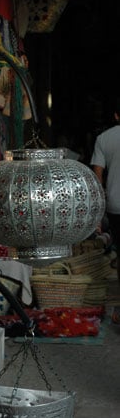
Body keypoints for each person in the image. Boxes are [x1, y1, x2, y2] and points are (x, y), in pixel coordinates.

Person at [91, 99, 120, 291]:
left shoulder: (104, 138)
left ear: (116, 116)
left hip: (116, 205)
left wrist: (97, 209)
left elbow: (97, 175)